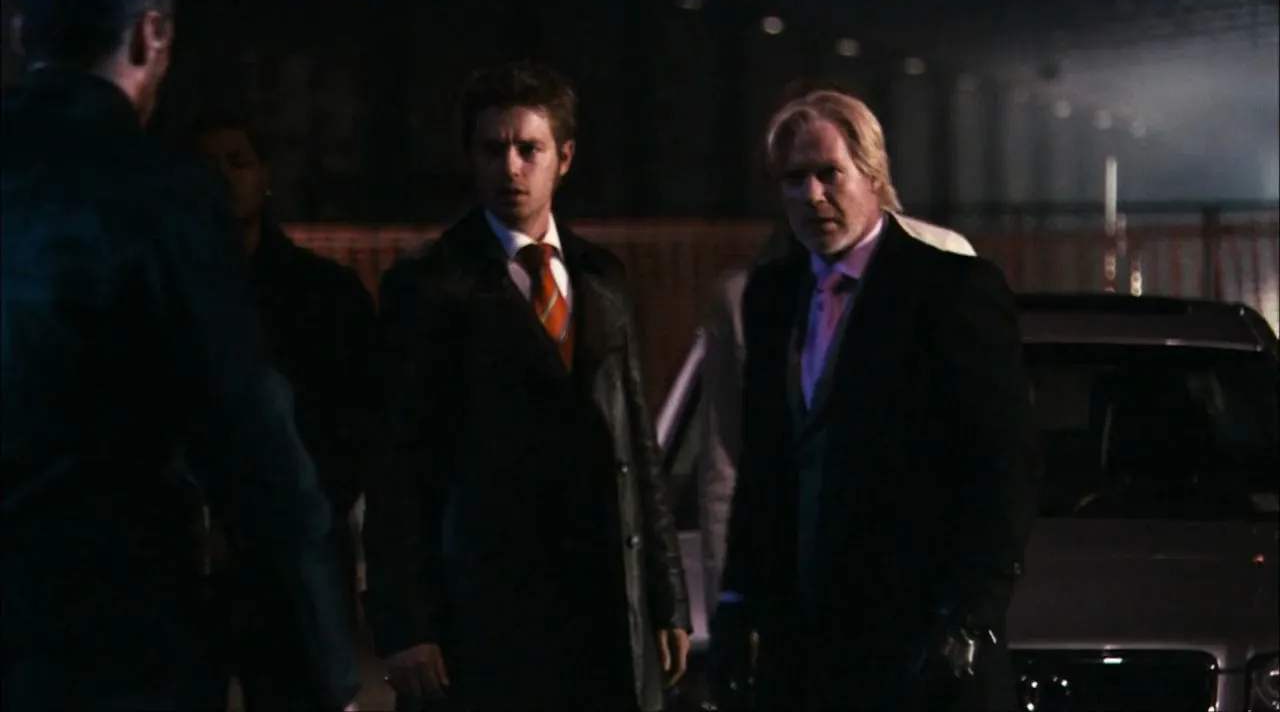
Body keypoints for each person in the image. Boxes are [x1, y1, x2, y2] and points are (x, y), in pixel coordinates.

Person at [0, 0, 359, 710]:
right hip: (113, 639)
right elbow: (248, 442)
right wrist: (324, 672)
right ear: (150, 35)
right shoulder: (160, 194)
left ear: (19, 34)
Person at [364, 60, 691, 712]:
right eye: (493, 150)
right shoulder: (429, 285)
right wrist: (407, 624)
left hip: (598, 603)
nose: (510, 167)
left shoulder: (601, 277)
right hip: (486, 611)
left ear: (563, 158)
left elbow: (637, 450)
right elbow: (396, 463)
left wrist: (665, 598)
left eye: (528, 149)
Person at [711, 89, 1042, 711]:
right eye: (794, 180)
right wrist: (737, 601)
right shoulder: (771, 296)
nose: (812, 196)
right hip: (801, 646)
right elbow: (765, 466)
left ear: (873, 173)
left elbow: (1003, 461)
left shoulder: (949, 288)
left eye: (829, 174)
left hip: (913, 637)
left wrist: (970, 613)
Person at [188, 111, 378, 710]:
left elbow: (357, 427)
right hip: (187, 565)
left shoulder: (325, 295)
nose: (223, 177)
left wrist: (284, 517)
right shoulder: (161, 293)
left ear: (265, 175)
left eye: (238, 162)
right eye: (205, 165)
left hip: (295, 563)